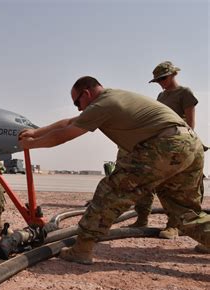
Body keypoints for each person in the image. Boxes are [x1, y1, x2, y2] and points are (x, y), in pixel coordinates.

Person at [19, 76, 209, 264]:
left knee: (110, 191)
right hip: (190, 144)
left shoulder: (103, 104)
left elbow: (65, 134)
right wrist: (36, 132)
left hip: (166, 146)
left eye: (78, 102)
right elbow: (69, 122)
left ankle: (82, 249)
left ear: (86, 93)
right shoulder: (113, 98)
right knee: (183, 210)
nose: (79, 108)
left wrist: (32, 144)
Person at [128, 61, 199, 239]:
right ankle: (142, 218)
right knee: (147, 181)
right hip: (160, 145)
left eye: (163, 78)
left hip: (179, 145)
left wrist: (185, 148)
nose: (161, 83)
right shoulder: (161, 96)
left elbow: (190, 124)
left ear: (173, 74)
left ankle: (173, 225)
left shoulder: (185, 93)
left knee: (174, 187)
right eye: (158, 80)